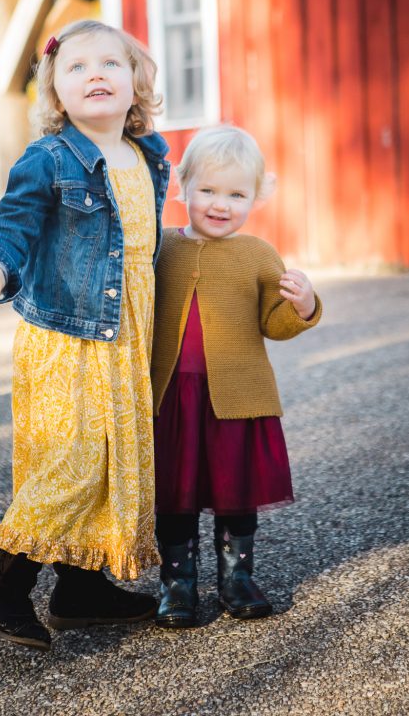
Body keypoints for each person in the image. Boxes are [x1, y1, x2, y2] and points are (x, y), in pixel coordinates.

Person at [0, 19, 170, 651]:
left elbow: (145, 241)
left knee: (111, 458)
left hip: (129, 330)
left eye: (110, 63)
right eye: (76, 68)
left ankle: (81, 589)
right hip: (71, 337)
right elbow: (13, 226)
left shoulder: (148, 155)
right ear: (56, 92)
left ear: (137, 83)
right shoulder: (49, 158)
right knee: (72, 462)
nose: (95, 74)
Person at [151, 125, 322, 628]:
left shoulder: (258, 255)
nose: (220, 204)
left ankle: (237, 577)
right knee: (173, 494)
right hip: (171, 397)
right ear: (182, 186)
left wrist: (305, 305)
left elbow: (275, 323)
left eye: (236, 194)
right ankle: (177, 584)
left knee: (235, 490)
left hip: (237, 397)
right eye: (207, 190)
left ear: (256, 197)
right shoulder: (160, 250)